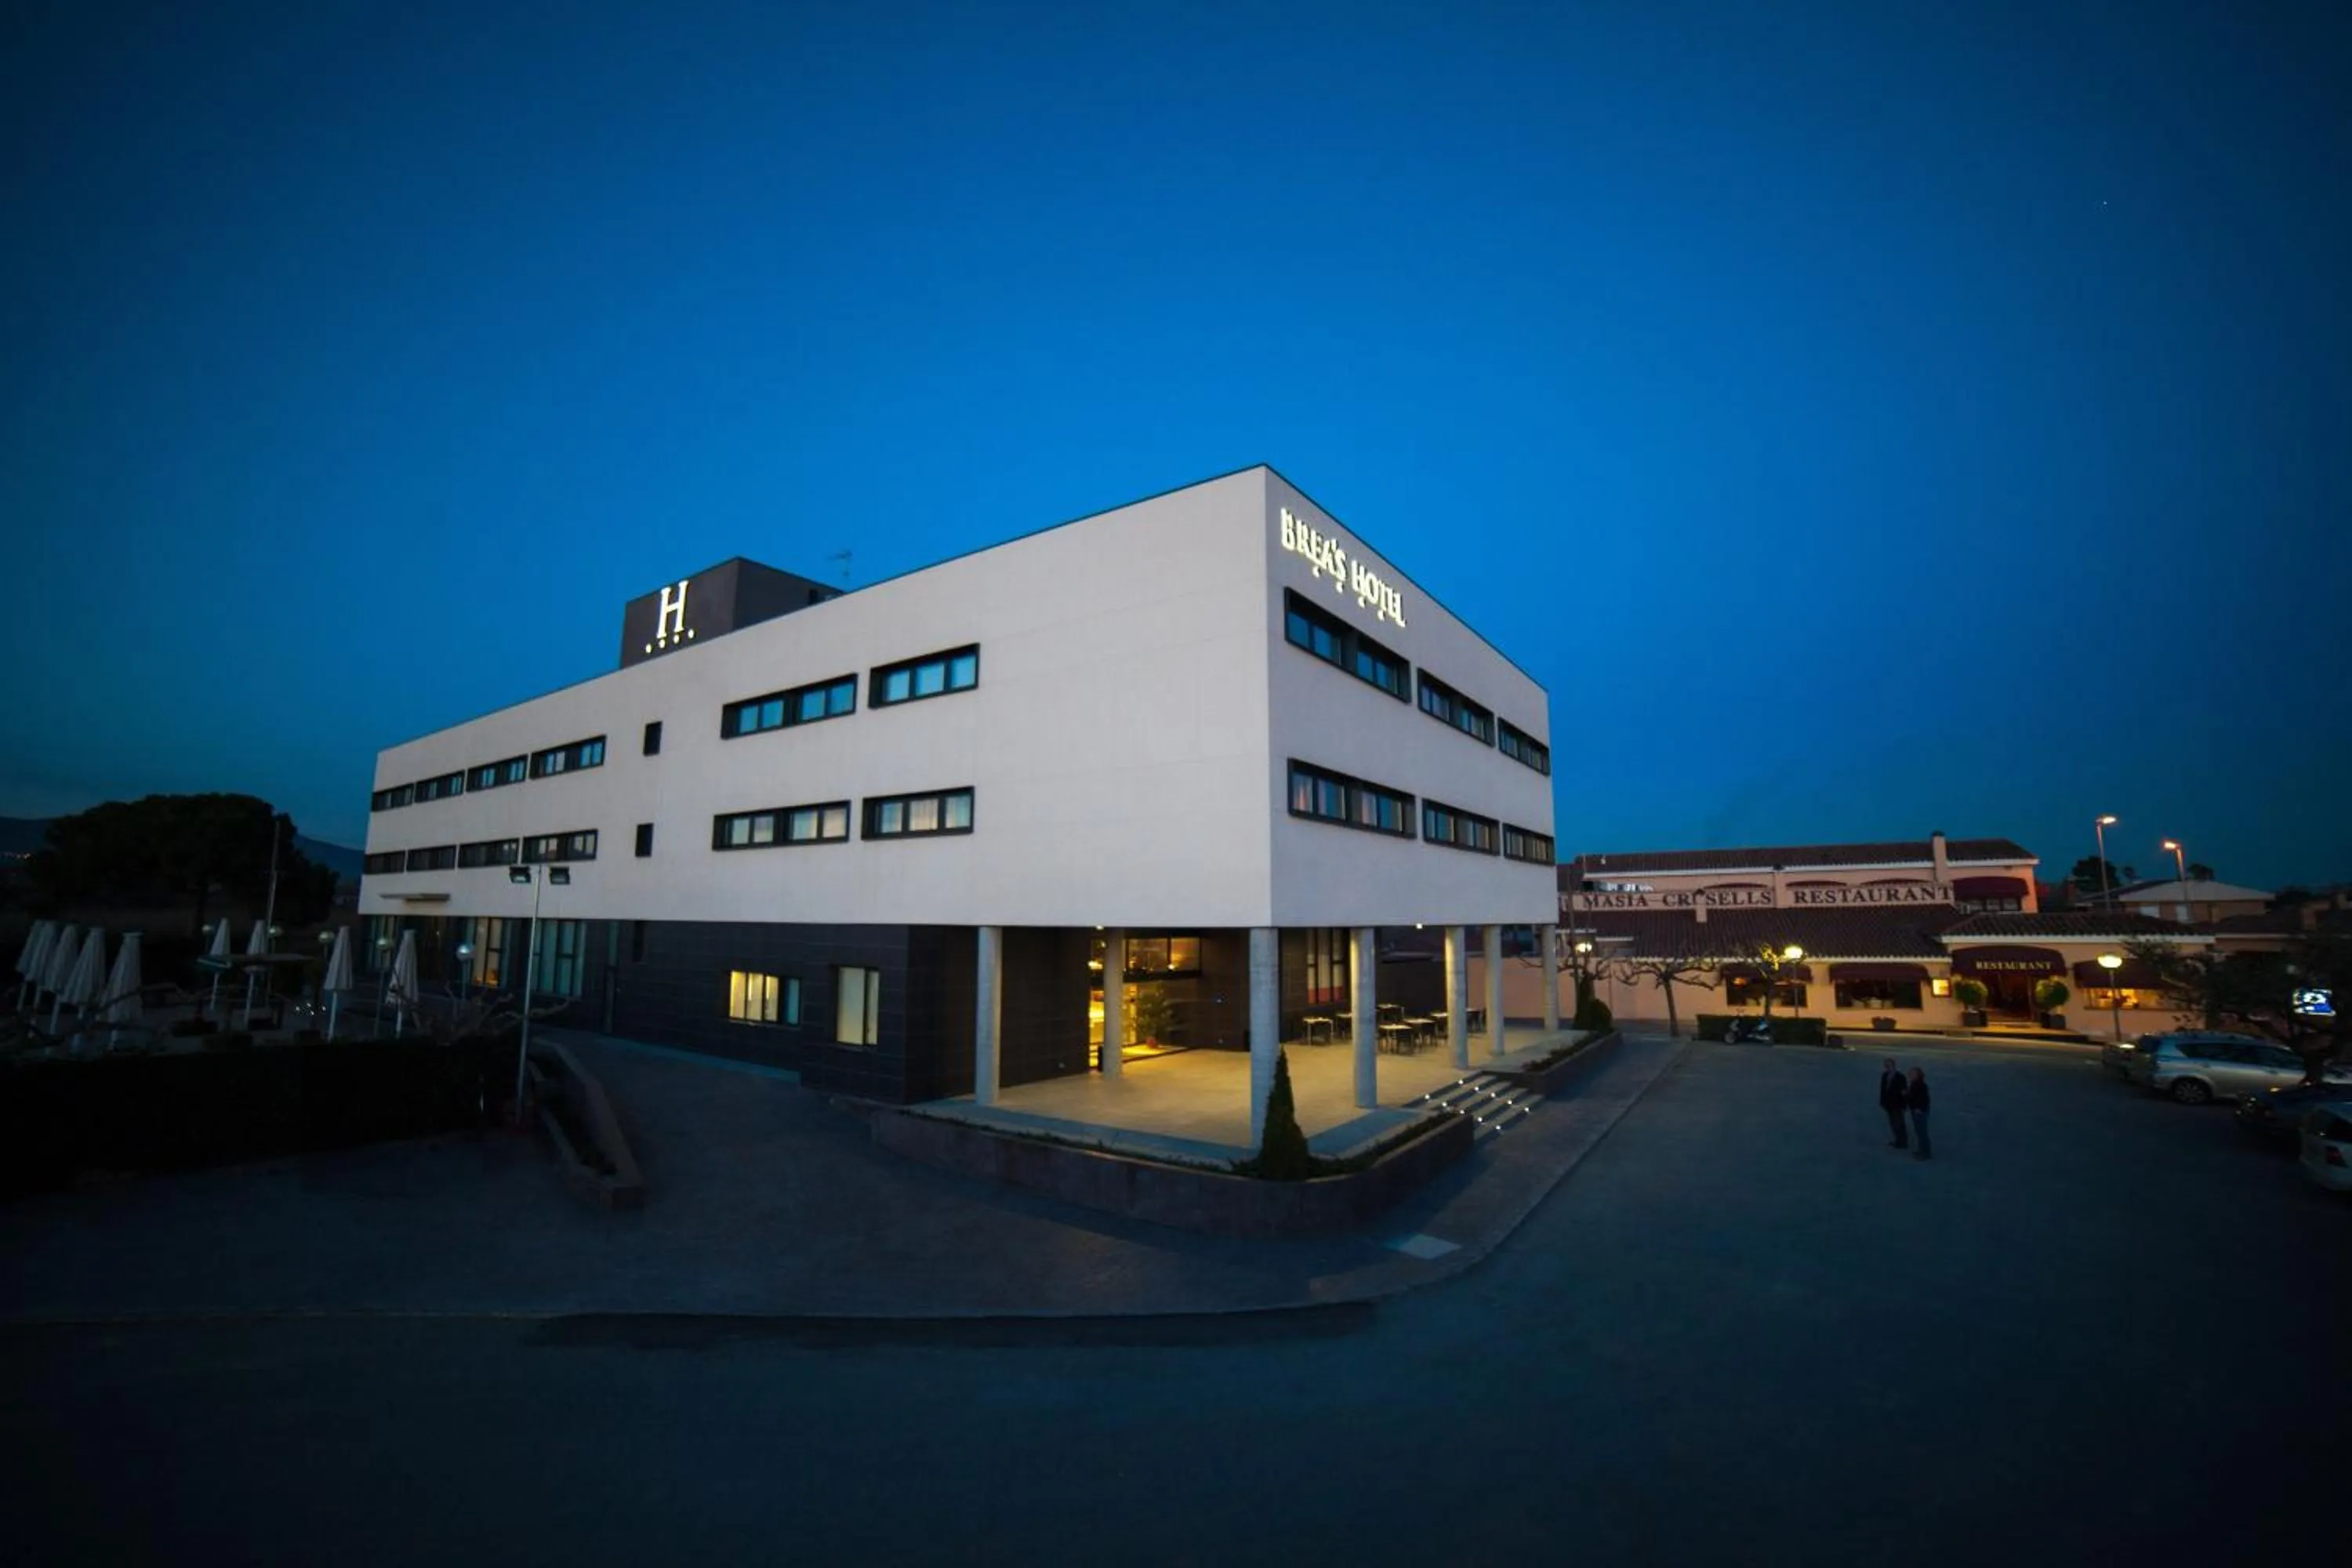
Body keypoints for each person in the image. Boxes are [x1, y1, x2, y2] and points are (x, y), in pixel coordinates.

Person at [1878, 1058, 1909, 1149]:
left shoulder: (1900, 1077)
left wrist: (1904, 1105)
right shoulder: (1885, 1076)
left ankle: (1903, 1142)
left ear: (1894, 1066)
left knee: (1899, 1123)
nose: (1888, 1068)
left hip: (1898, 1104)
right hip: (1889, 1104)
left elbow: (1904, 1092)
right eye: (1886, 1066)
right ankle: (1898, 1140)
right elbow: (1883, 1090)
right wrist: (1882, 1102)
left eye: (1889, 1066)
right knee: (1893, 1123)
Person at [1906, 1065, 1933, 1160]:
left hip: (1920, 1111)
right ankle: (1922, 1150)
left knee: (1922, 1133)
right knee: (1919, 1132)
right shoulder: (1914, 1084)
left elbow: (1925, 1100)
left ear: (1917, 1075)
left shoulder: (1921, 1085)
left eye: (1912, 1073)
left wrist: (1919, 1108)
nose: (1910, 1075)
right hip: (1915, 1110)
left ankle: (1926, 1153)